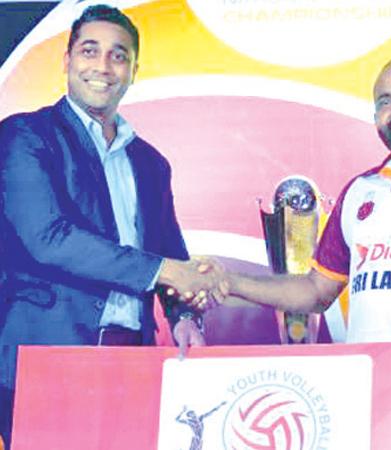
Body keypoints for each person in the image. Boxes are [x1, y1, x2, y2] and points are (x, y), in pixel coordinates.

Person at [0, 5, 226, 448]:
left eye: (118, 55)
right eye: (90, 51)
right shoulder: (25, 136)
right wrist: (164, 271)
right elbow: (48, 240)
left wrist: (183, 316)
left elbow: (169, 251)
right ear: (67, 62)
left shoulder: (150, 162)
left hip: (129, 361)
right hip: (45, 356)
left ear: (134, 71)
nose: (102, 67)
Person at [193, 57, 391, 347]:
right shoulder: (360, 189)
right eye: (385, 102)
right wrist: (231, 281)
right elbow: (315, 291)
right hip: (369, 381)